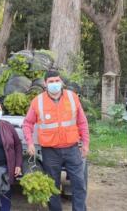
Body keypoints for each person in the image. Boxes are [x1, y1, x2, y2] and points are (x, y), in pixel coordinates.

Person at [22, 70, 90, 211]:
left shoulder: (72, 98)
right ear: (45, 84)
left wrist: (85, 143)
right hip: (50, 151)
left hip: (72, 149)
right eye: (51, 82)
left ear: (61, 82)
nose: (54, 84)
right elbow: (27, 124)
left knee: (79, 184)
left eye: (57, 81)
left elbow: (82, 122)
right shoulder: (38, 101)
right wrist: (29, 142)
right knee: (53, 187)